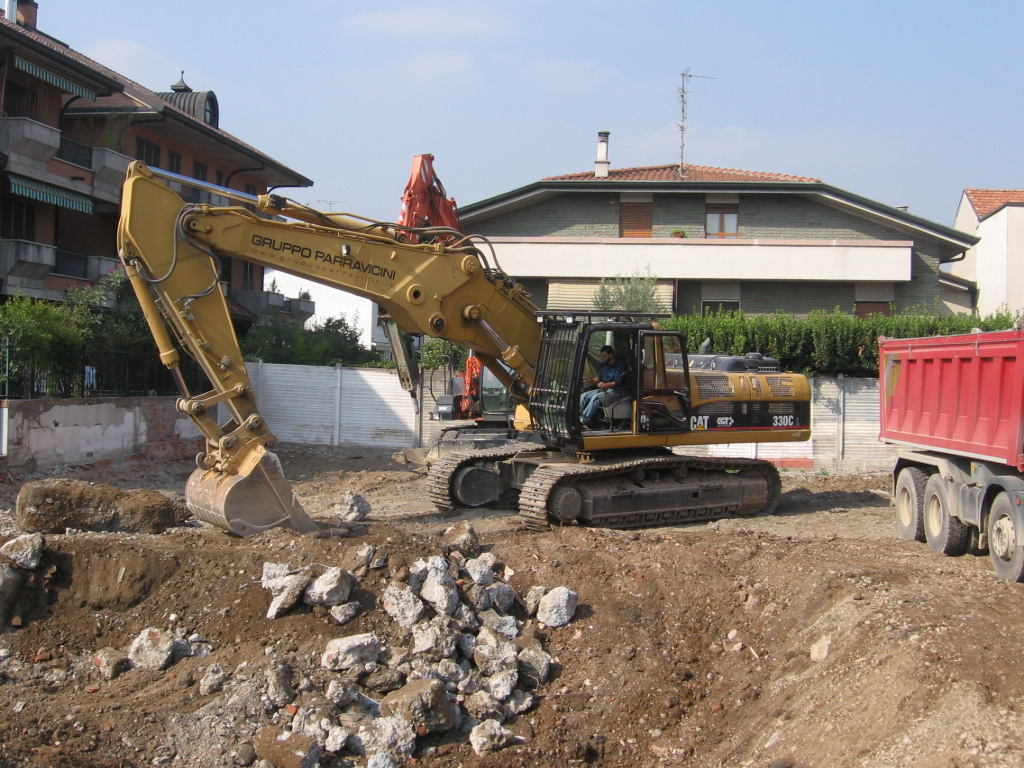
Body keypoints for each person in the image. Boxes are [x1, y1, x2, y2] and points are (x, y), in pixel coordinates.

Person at [580, 345, 627, 427]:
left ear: (611, 355)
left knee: (596, 398)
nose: (602, 358)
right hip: (603, 390)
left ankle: (582, 421)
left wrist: (605, 384)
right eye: (602, 356)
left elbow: (617, 382)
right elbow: (599, 378)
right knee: (584, 396)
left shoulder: (620, 365)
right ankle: (574, 417)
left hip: (616, 391)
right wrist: (588, 380)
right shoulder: (603, 365)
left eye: (604, 356)